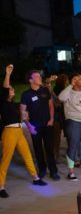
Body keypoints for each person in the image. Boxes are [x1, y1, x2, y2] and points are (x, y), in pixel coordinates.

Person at [0, 65, 47, 198]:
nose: (12, 90)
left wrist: (27, 120)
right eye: (10, 89)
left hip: (19, 131)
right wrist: (8, 74)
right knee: (6, 160)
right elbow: (5, 88)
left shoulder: (14, 105)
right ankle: (1, 186)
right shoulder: (3, 104)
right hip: (9, 132)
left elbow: (23, 115)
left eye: (12, 89)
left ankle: (36, 178)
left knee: (27, 155)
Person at [20, 70, 60, 180]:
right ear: (30, 80)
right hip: (34, 126)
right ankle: (42, 170)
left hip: (47, 124)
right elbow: (23, 112)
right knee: (38, 149)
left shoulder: (45, 90)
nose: (40, 78)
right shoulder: (26, 94)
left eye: (39, 76)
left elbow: (51, 106)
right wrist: (29, 126)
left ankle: (53, 171)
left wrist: (51, 119)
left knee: (49, 148)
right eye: (37, 76)